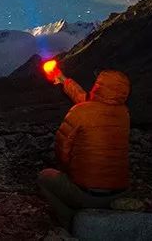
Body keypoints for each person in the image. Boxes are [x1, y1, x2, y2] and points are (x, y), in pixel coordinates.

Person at [37, 68, 131, 229]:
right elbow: (88, 102)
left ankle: (70, 221)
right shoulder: (124, 114)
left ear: (98, 86)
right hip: (120, 193)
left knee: (44, 177)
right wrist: (64, 80)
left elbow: (62, 149)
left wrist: (66, 170)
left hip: (87, 194)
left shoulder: (80, 112)